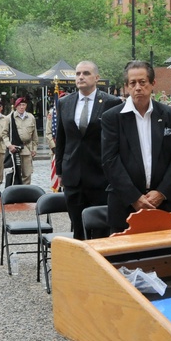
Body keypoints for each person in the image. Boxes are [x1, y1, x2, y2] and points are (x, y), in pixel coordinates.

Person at [101, 60, 171, 233]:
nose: (138, 87)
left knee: (165, 258)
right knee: (125, 258)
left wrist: (161, 193)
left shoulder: (170, 115)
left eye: (142, 82)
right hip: (125, 204)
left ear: (153, 83)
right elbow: (110, 161)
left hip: (165, 203)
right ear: (126, 87)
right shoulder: (112, 118)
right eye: (132, 83)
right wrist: (134, 197)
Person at [54, 60, 121, 239]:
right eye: (78, 74)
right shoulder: (64, 103)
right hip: (73, 178)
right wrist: (59, 170)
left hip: (100, 176)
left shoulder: (110, 102)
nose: (81, 77)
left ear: (97, 78)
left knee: (101, 230)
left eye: (86, 73)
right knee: (78, 229)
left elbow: (117, 140)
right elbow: (61, 139)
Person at [9, 97, 37, 185]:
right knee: (15, 173)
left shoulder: (31, 117)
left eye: (24, 105)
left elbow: (34, 135)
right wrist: (9, 145)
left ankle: (26, 192)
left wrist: (34, 148)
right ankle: (16, 191)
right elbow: (4, 134)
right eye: (20, 105)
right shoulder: (10, 118)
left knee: (27, 173)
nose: (22, 107)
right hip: (15, 149)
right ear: (16, 106)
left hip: (27, 148)